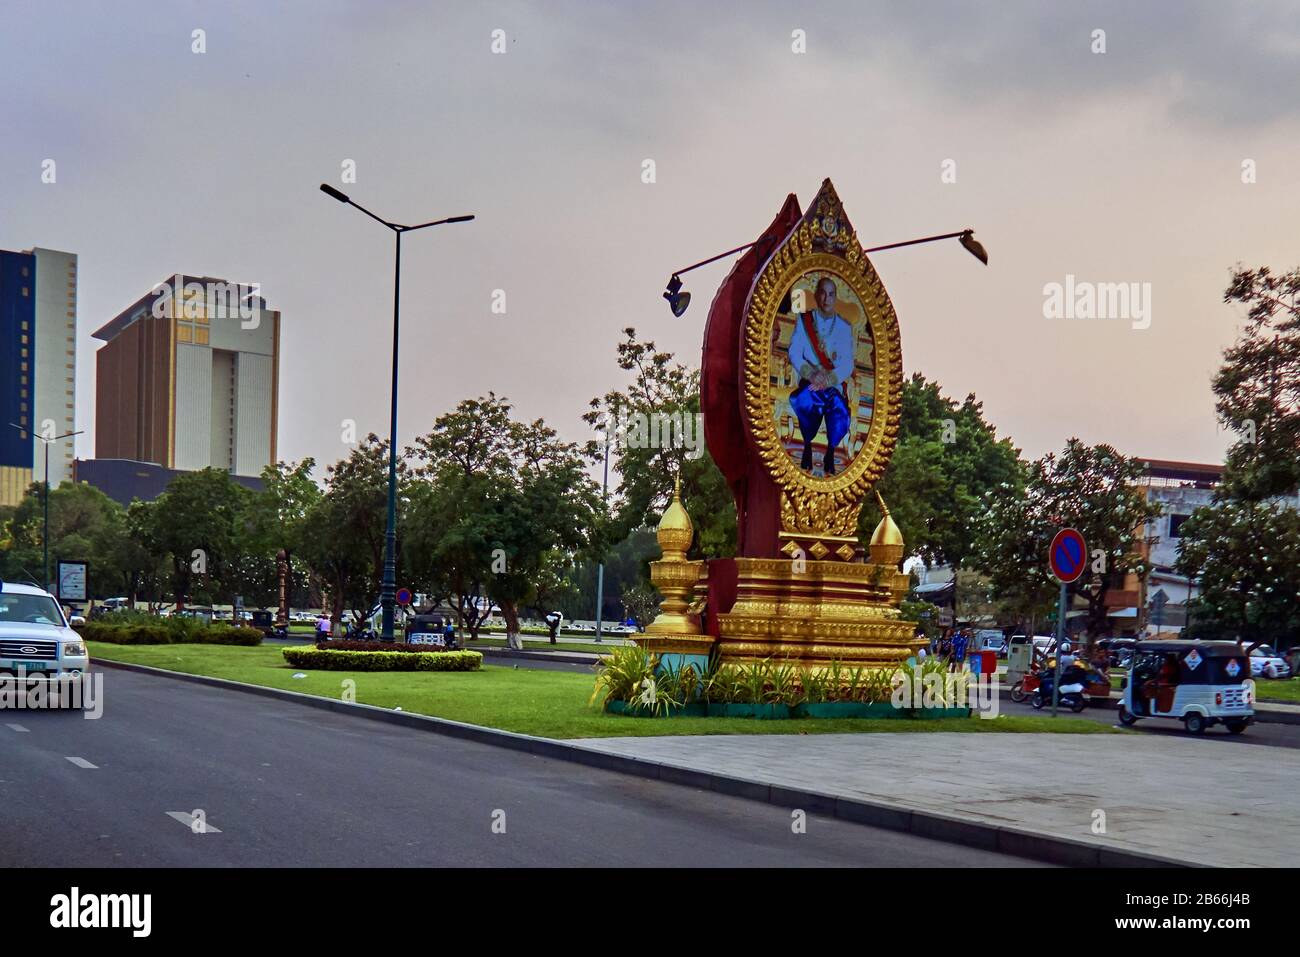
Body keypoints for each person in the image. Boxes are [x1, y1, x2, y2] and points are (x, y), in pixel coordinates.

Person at [787, 277, 855, 475]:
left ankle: (831, 451)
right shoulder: (804, 320)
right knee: (805, 401)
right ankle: (807, 445)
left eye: (831, 294)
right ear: (817, 295)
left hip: (832, 385)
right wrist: (810, 374)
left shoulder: (844, 327)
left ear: (835, 297)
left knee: (839, 410)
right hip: (811, 381)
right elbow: (794, 352)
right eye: (823, 293)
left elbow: (847, 364)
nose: (827, 298)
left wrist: (829, 379)